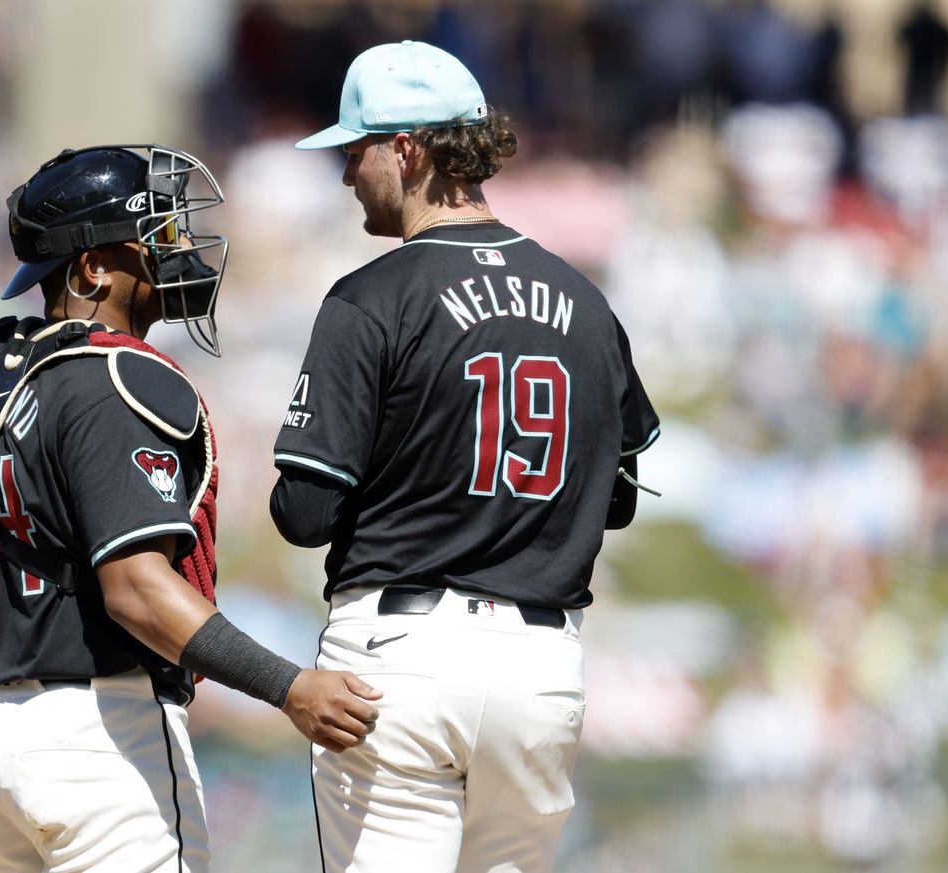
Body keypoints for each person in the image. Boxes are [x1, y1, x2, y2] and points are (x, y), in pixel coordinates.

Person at [0, 144, 381, 873]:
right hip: (101, 738)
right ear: (90, 269)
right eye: (154, 235)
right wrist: (289, 686)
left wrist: (24, 620)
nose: (174, 249)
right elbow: (137, 588)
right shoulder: (117, 377)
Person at [270, 42, 661, 873]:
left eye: (355, 150)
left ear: (406, 149)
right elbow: (617, 495)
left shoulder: (368, 297)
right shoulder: (585, 301)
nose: (346, 175)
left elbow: (304, 514)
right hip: (541, 666)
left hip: (400, 663)